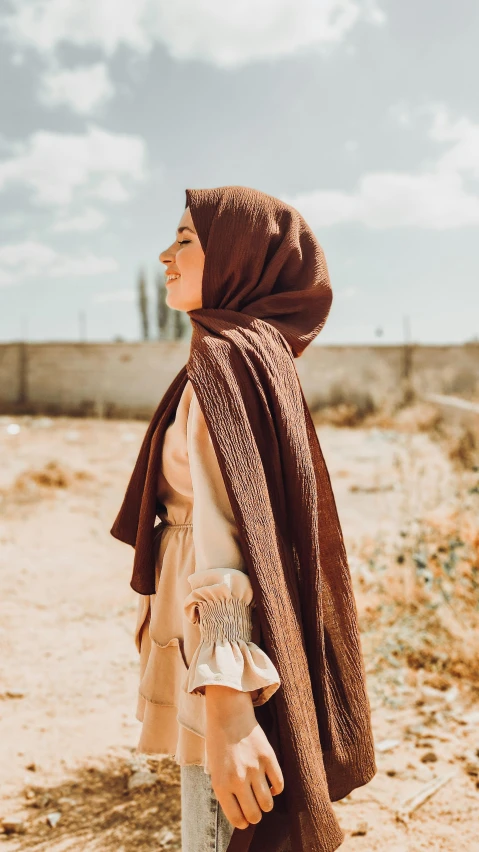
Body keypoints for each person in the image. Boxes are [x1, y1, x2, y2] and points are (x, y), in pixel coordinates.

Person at [111, 186, 377, 852]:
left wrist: (227, 709)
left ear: (236, 257)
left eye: (185, 240)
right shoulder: (253, 356)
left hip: (216, 645)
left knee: (220, 822)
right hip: (214, 632)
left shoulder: (224, 368)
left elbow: (225, 543)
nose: (166, 255)